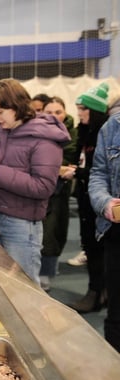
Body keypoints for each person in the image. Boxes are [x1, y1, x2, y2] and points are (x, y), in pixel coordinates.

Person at [0, 79, 70, 287]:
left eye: (0, 111)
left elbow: (43, 186)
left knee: (24, 289)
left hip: (21, 225)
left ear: (18, 106)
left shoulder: (44, 138)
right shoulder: (4, 132)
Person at [68, 82, 110, 313]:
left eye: (83, 110)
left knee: (97, 250)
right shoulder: (86, 133)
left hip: (99, 204)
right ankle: (98, 291)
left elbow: (101, 172)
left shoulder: (104, 133)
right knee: (91, 248)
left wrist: (76, 172)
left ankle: (97, 293)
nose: (80, 114)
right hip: (86, 200)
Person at [38, 97, 79, 290]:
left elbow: (71, 163)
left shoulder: (73, 134)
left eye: (58, 112)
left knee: (54, 231)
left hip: (59, 191)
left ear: (65, 113)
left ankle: (47, 272)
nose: (53, 116)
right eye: (49, 112)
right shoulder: (35, 132)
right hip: (37, 189)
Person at [88, 108, 120, 352]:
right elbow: (98, 174)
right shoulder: (112, 127)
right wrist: (104, 202)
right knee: (116, 317)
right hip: (115, 233)